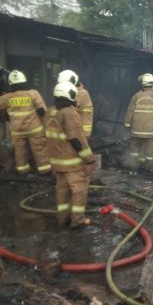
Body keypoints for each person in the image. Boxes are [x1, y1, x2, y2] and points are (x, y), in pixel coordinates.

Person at [45, 81, 95, 228]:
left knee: (61, 191)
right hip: (72, 163)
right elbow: (76, 139)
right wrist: (89, 160)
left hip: (57, 162)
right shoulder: (70, 113)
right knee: (79, 190)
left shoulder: (50, 111)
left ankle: (63, 218)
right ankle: (78, 220)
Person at [0, 70, 51, 174]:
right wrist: (46, 125)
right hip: (34, 128)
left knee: (19, 151)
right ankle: (45, 170)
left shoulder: (8, 97)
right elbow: (42, 111)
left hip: (17, 130)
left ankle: (23, 170)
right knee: (39, 148)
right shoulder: (33, 93)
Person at [124, 73, 153, 171]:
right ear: (152, 83)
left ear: (142, 84)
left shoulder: (136, 96)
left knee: (134, 150)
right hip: (152, 132)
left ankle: (133, 167)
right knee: (150, 152)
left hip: (136, 131)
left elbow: (129, 112)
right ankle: (147, 169)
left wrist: (127, 126)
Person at [57, 70, 93, 137]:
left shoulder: (82, 93)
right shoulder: (74, 92)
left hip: (82, 130)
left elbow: (71, 106)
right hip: (76, 127)